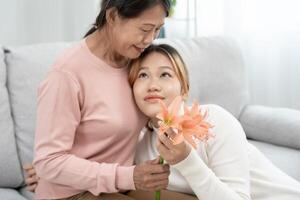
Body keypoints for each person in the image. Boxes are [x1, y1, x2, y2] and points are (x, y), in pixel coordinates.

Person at [26, 41, 300, 200]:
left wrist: (186, 159)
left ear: (184, 88)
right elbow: (106, 176)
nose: (152, 84)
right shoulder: (138, 144)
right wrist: (53, 174)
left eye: (165, 75)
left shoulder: (214, 120)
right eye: (142, 76)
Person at [27, 0, 193, 199]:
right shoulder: (66, 75)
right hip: (73, 193)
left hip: (119, 185)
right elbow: (49, 161)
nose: (150, 39)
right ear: (112, 16)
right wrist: (128, 176)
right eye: (145, 28)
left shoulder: (138, 62)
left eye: (157, 29)